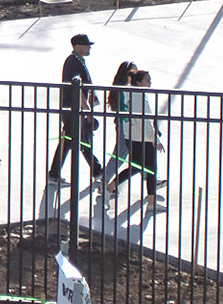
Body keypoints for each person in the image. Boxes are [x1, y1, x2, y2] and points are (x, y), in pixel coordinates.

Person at [103, 68, 165, 208]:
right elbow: (144, 121)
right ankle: (150, 202)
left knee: (137, 167)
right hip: (142, 138)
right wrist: (155, 139)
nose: (150, 83)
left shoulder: (128, 93)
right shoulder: (138, 97)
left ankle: (111, 187)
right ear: (139, 82)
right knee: (150, 169)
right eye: (147, 80)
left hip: (131, 136)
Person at [47, 34, 104, 185]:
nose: (89, 47)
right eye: (86, 45)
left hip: (73, 109)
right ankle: (97, 170)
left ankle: (96, 170)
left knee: (75, 140)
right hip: (74, 110)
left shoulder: (76, 61)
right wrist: (86, 109)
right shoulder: (73, 62)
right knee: (76, 140)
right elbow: (76, 88)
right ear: (78, 46)